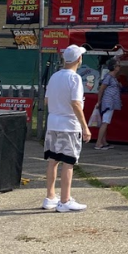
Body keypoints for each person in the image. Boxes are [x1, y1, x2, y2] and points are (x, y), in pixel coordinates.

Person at [43, 45, 93, 212]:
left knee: (53, 161)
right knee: (68, 162)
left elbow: (46, 100)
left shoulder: (55, 76)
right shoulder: (75, 78)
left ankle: (50, 197)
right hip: (69, 125)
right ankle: (65, 200)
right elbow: (76, 103)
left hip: (53, 123)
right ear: (79, 59)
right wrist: (85, 127)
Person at [91, 59, 124, 150]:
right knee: (105, 122)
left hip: (110, 102)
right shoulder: (109, 77)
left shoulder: (112, 77)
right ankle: (98, 143)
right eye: (118, 65)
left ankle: (103, 141)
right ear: (114, 67)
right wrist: (99, 101)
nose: (119, 67)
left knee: (105, 122)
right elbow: (101, 89)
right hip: (108, 102)